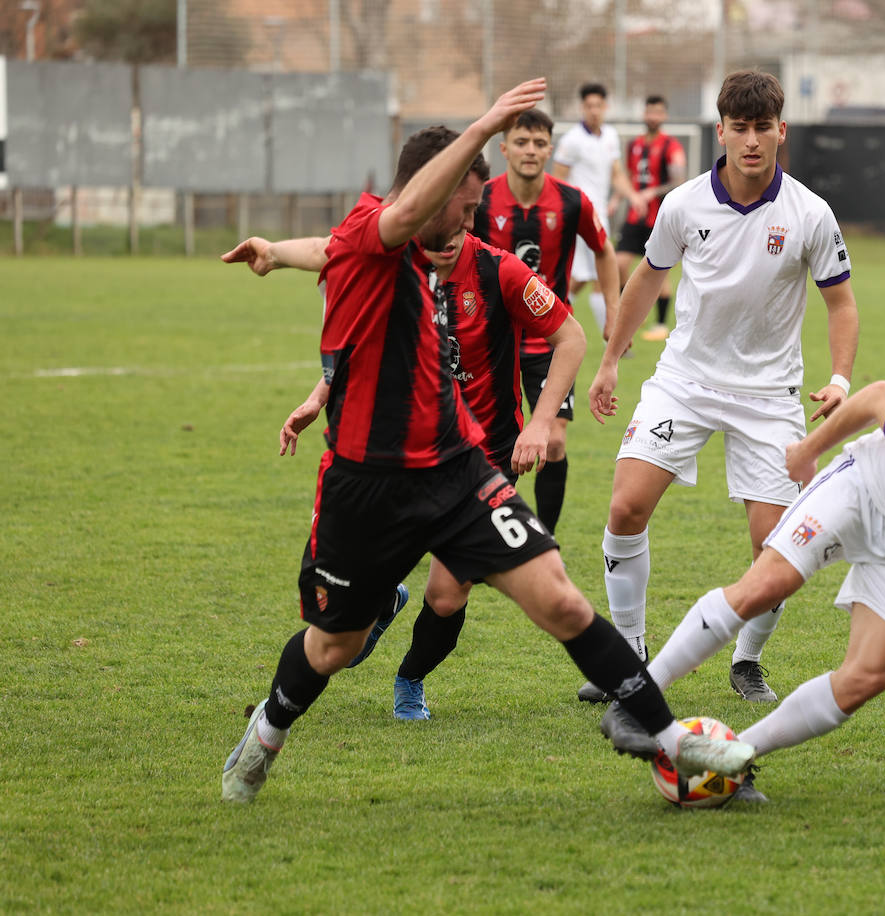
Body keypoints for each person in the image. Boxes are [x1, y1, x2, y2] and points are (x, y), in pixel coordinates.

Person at [218, 79, 755, 803]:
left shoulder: (475, 261)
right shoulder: (374, 230)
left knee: (562, 601)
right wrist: (484, 124)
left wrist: (542, 419)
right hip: (365, 484)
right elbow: (369, 231)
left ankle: (666, 740)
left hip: (458, 470)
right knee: (333, 647)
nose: (472, 223)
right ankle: (267, 732)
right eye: (465, 209)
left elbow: (563, 328)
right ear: (429, 195)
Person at [225, 150, 587, 721]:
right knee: (346, 623)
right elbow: (333, 262)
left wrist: (542, 422)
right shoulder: (394, 264)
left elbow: (571, 336)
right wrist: (319, 391)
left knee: (447, 595)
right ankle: (369, 609)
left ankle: (411, 678)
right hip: (401, 451)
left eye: (462, 223)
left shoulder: (500, 271)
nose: (450, 238)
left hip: (480, 454)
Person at [600, 381, 885, 808]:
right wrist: (809, 450)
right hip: (864, 488)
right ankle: (637, 697)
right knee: (767, 585)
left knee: (868, 677)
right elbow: (879, 395)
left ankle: (729, 760)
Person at [582, 69, 860, 706]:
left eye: (764, 127)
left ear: (781, 131)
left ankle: (748, 659)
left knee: (778, 547)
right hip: (684, 381)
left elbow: (841, 305)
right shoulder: (682, 205)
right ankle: (628, 657)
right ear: (723, 132)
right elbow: (646, 281)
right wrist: (610, 361)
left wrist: (841, 377)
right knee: (625, 508)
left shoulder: (811, 213)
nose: (753, 141)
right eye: (741, 128)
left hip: (769, 396)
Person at [474, 108, 620, 538]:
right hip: (491, 343)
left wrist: (612, 310)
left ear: (550, 149)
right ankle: (481, 530)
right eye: (521, 142)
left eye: (539, 143)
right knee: (484, 444)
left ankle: (544, 536)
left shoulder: (572, 201)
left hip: (550, 343)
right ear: (504, 149)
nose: (530, 151)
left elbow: (604, 251)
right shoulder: (480, 199)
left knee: (553, 441)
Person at [551, 82, 646, 337]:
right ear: (583, 108)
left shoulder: (611, 136)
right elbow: (557, 181)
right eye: (589, 106)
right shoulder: (572, 140)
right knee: (599, 276)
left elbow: (617, 174)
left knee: (590, 278)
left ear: (605, 107)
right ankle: (610, 338)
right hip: (578, 218)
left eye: (598, 105)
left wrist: (633, 196)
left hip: (600, 217)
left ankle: (553, 323)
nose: (594, 110)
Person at [617, 95, 687, 343]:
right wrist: (618, 198)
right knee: (619, 265)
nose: (653, 117)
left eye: (658, 112)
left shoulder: (672, 146)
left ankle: (659, 324)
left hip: (658, 218)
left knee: (660, 270)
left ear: (664, 116)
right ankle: (634, 310)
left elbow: (678, 182)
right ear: (644, 114)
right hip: (635, 215)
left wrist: (650, 193)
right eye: (650, 112)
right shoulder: (633, 145)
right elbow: (627, 176)